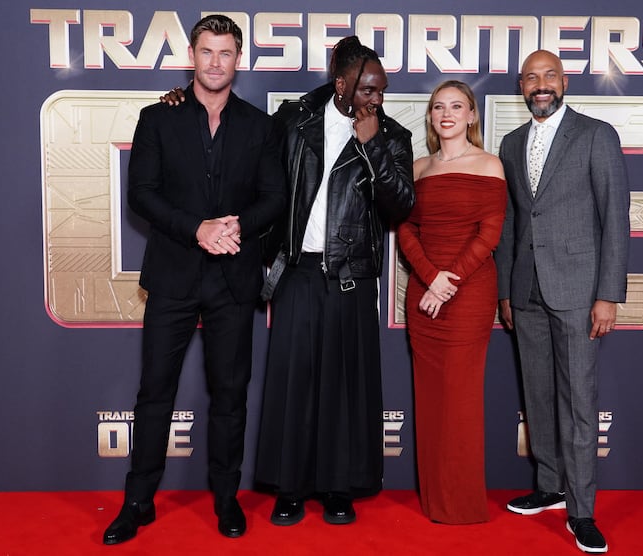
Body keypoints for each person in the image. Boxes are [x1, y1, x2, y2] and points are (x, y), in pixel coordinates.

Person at [102, 15, 286, 545]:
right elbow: (142, 193)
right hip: (174, 276)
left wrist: (236, 227)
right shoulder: (158, 118)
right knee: (154, 392)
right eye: (206, 51)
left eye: (226, 53)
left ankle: (227, 499)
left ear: (238, 59)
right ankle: (138, 501)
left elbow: (274, 196)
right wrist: (197, 230)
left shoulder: (260, 125)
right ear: (192, 53)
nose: (215, 62)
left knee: (229, 395)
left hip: (234, 278)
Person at [254, 35, 414, 526]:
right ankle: (290, 488)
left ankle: (338, 487)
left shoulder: (391, 136)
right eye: (367, 90)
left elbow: (401, 205)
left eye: (382, 91)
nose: (376, 100)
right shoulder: (293, 120)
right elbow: (257, 180)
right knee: (293, 383)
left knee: (346, 387)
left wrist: (373, 150)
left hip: (352, 275)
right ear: (340, 83)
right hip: (298, 270)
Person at [495, 50, 629, 553]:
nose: (541, 85)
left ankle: (582, 509)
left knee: (578, 401)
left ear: (565, 81)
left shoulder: (596, 135)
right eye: (532, 78)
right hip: (526, 289)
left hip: (578, 290)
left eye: (549, 75)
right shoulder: (510, 143)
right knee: (539, 394)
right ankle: (549, 485)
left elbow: (615, 218)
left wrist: (608, 295)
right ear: (522, 87)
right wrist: (506, 289)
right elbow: (510, 222)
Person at [396, 80, 506, 524]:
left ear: (472, 115)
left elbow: (490, 233)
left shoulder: (490, 164)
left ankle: (460, 503)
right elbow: (405, 229)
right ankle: (435, 495)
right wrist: (430, 278)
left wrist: (449, 281)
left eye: (456, 106)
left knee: (460, 398)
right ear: (430, 116)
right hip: (424, 293)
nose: (447, 114)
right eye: (438, 107)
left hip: (468, 294)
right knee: (430, 395)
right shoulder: (418, 167)